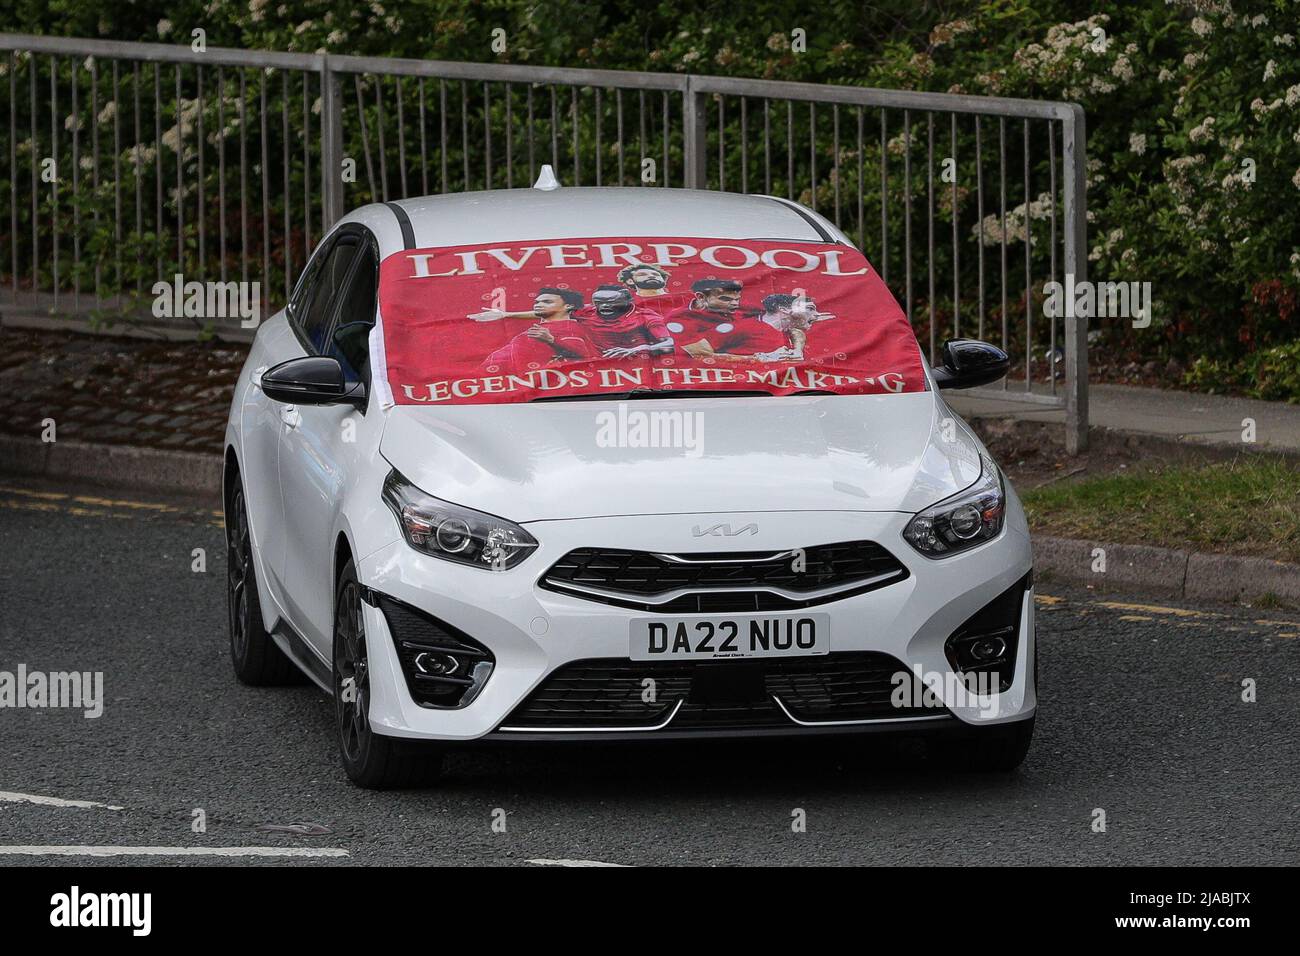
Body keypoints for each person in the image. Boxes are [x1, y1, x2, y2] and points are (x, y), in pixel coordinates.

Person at [663, 278, 789, 362]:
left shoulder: (740, 306)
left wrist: (797, 350)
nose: (735, 304)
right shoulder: (679, 319)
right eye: (726, 299)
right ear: (701, 297)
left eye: (737, 299)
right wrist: (764, 358)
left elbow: (787, 318)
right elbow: (702, 356)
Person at [480, 288, 591, 369]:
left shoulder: (569, 327)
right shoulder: (547, 326)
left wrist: (552, 340)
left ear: (568, 306)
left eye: (547, 302)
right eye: (537, 302)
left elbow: (581, 354)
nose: (538, 305)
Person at [755, 292, 836, 360]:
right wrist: (765, 358)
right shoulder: (748, 326)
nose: (817, 315)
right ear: (784, 309)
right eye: (810, 309)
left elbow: (796, 331)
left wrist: (797, 350)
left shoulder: (786, 330)